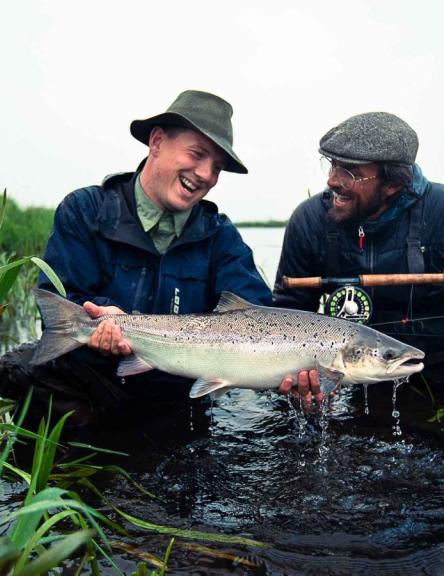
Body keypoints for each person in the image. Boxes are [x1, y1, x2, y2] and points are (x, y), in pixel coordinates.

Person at [1, 90, 273, 426]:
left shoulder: (220, 236)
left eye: (216, 167)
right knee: (22, 369)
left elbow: (258, 312)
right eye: (197, 154)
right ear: (156, 142)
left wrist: (287, 366)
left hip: (175, 398)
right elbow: (61, 305)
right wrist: (100, 314)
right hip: (93, 384)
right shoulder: (85, 211)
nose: (205, 174)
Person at [274, 112, 444, 409]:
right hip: (366, 362)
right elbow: (288, 313)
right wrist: (300, 375)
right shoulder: (310, 219)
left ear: (391, 184)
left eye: (350, 171)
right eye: (333, 165)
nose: (332, 180)